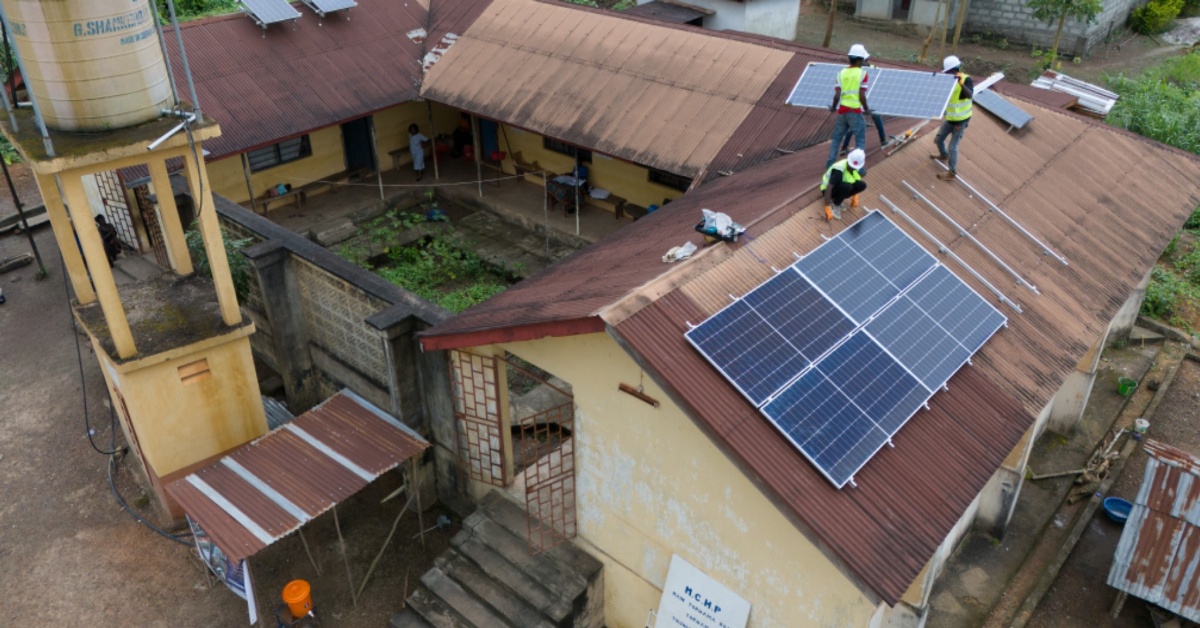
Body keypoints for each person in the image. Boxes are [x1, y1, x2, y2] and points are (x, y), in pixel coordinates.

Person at [827, 44, 872, 169]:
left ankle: (830, 164)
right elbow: (861, 95)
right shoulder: (863, 74)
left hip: (842, 112)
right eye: (863, 59)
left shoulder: (841, 73)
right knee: (860, 141)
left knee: (836, 139)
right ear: (858, 60)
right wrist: (867, 109)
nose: (864, 61)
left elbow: (837, 95)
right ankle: (859, 168)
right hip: (855, 112)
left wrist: (833, 108)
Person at [930, 55, 974, 181]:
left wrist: (960, 83)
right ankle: (943, 155)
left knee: (953, 147)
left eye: (948, 72)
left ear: (954, 70)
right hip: (950, 118)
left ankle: (952, 172)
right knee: (939, 139)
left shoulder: (966, 79)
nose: (947, 74)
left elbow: (970, 95)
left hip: (961, 120)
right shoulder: (948, 80)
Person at [821, 149, 867, 221]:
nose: (852, 169)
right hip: (827, 190)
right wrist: (827, 207)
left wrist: (855, 195)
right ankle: (835, 205)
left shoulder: (854, 168)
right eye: (851, 167)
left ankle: (839, 199)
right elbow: (828, 188)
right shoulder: (838, 170)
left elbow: (855, 179)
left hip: (840, 186)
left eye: (854, 167)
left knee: (862, 185)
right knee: (848, 186)